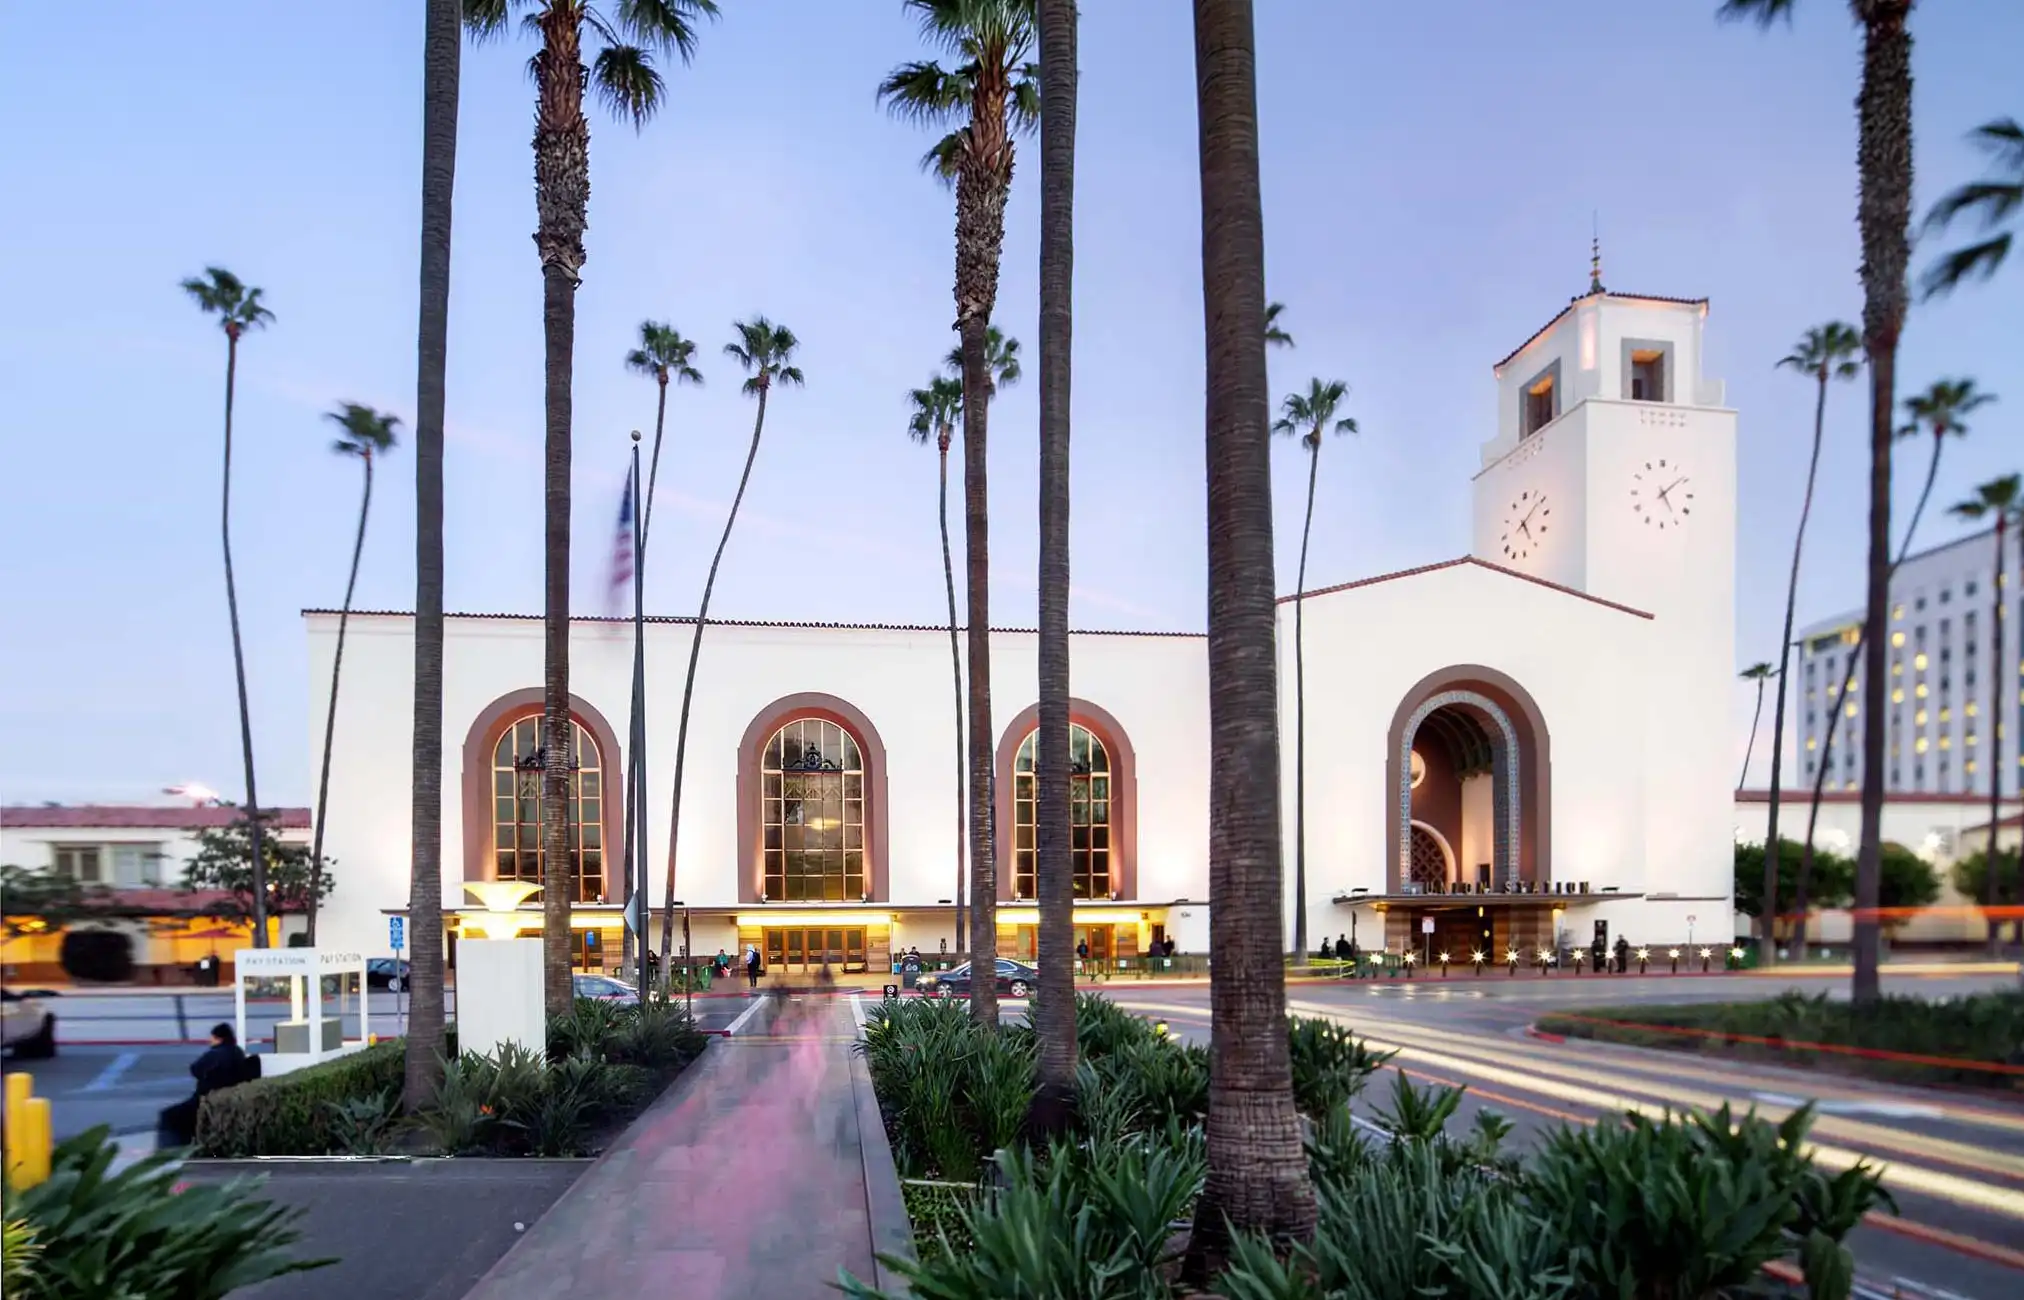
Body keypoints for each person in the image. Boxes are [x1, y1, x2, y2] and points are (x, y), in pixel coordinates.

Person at [157, 1023, 248, 1147]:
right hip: (227, 1097)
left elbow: (195, 1069)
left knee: (168, 1116)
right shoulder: (237, 1052)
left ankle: (171, 1150)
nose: (210, 1040)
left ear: (218, 1038)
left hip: (207, 1100)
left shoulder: (215, 1054)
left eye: (212, 1037)